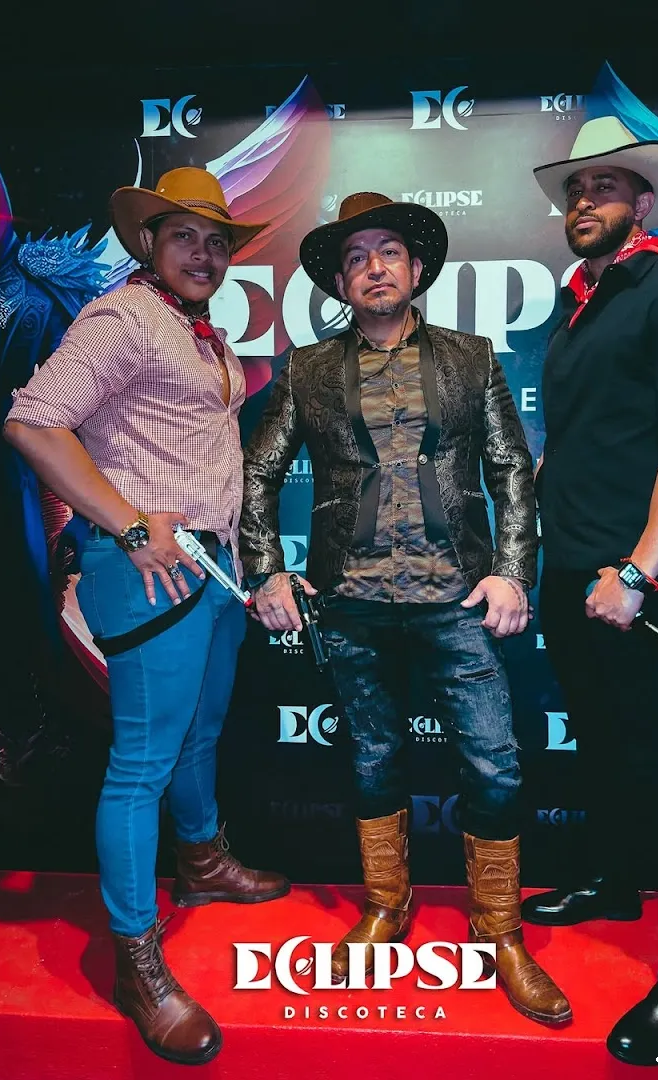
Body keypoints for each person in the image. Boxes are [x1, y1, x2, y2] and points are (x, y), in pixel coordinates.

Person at [240, 191, 571, 1025]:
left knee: (494, 765)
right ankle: (387, 905)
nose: (374, 268)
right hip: (349, 602)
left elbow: (511, 470)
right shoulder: (308, 369)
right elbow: (260, 472)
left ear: (417, 268)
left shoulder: (471, 357)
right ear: (339, 283)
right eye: (355, 258)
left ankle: (500, 929)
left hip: (457, 598)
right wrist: (267, 571)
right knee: (371, 761)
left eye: (388, 251)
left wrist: (514, 572)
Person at [3, 167, 289, 1066]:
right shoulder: (123, 317)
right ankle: (137, 962)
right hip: (148, 569)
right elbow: (33, 422)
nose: (203, 254)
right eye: (183, 237)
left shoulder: (194, 329)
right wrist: (128, 524)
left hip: (211, 566)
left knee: (199, 734)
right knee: (142, 764)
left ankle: (202, 862)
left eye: (216, 241)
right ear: (148, 244)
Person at [528, 117, 658, 1064]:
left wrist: (639, 573)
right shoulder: (578, 306)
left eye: (605, 186)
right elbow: (581, 443)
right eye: (577, 189)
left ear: (643, 204)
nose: (585, 200)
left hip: (636, 581)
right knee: (604, 747)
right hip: (574, 573)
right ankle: (614, 884)